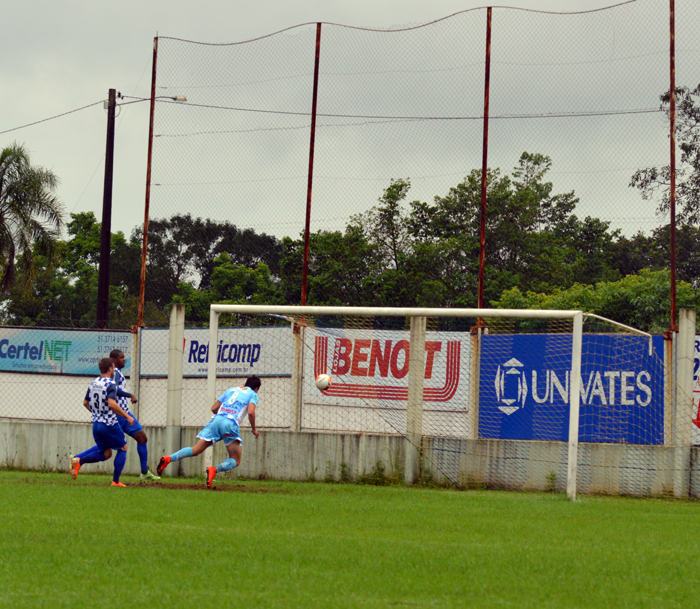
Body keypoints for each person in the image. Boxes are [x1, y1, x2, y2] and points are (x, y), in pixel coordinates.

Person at [71, 349, 160, 482]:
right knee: (128, 443)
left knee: (108, 448)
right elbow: (114, 391)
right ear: (113, 362)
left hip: (106, 418)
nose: (124, 359)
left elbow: (86, 402)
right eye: (121, 357)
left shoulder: (95, 382)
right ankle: (129, 477)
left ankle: (78, 458)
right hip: (120, 414)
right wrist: (129, 395)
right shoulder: (114, 375)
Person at [157, 375, 261, 488]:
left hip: (216, 420)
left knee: (196, 449)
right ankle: (214, 470)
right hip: (229, 423)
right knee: (236, 459)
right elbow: (251, 412)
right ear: (256, 388)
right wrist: (254, 429)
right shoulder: (253, 394)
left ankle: (168, 458)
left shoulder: (232, 389)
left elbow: (214, 408)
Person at [69, 357, 134, 487]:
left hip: (96, 425)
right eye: (114, 368)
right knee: (123, 447)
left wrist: (97, 414)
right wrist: (127, 416)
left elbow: (85, 403)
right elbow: (112, 404)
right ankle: (116, 481)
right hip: (109, 424)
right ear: (110, 369)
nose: (114, 370)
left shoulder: (93, 383)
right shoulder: (111, 384)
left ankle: (79, 461)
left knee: (106, 453)